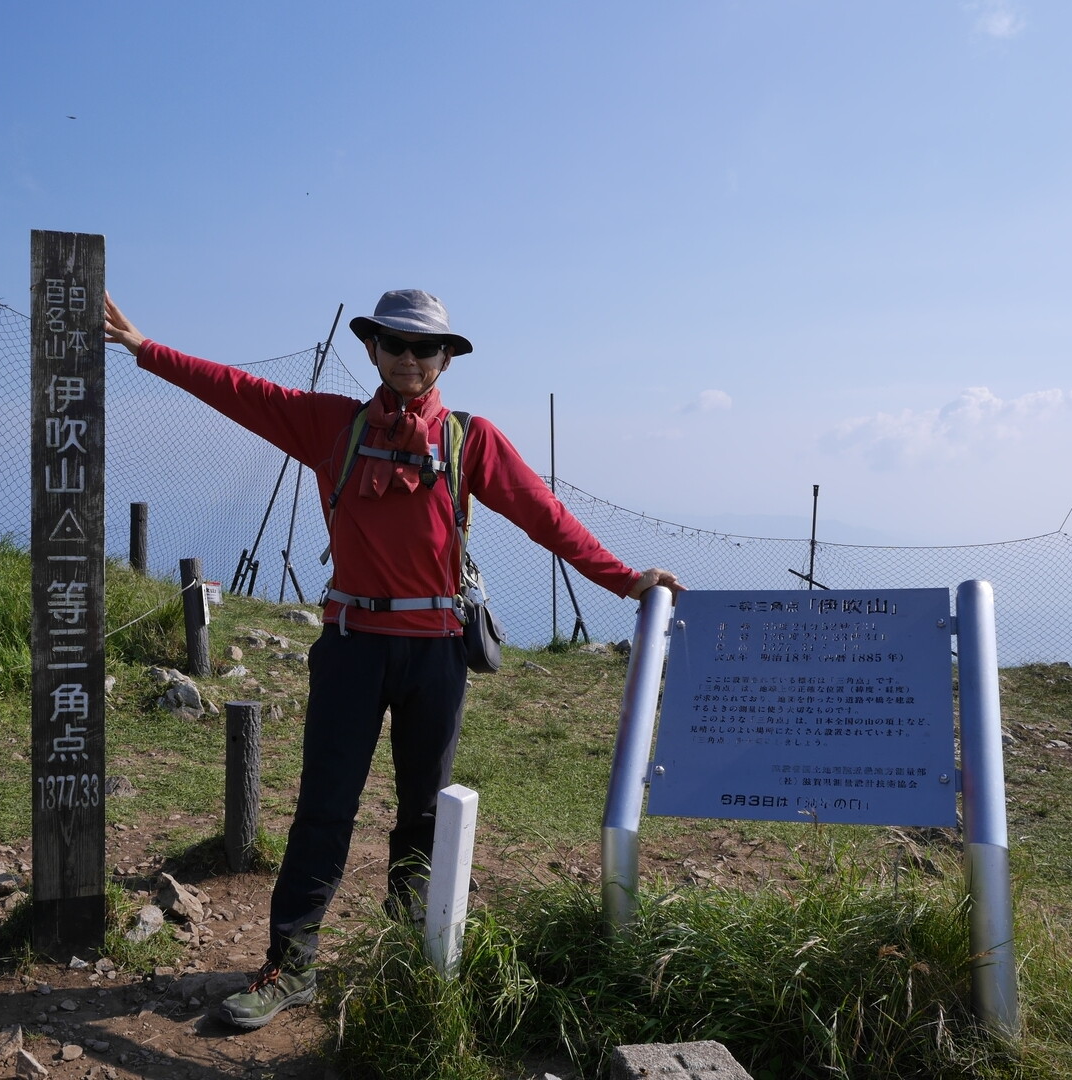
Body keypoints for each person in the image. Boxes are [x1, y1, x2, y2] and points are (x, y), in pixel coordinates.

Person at [104, 288, 683, 1029]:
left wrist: (624, 577)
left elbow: (546, 516)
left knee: (422, 814)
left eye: (425, 348)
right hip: (349, 648)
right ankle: (292, 966)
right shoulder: (332, 426)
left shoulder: (471, 440)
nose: (410, 359)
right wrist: (148, 349)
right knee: (323, 810)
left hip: (436, 654)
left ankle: (407, 953)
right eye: (395, 344)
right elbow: (238, 392)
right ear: (372, 349)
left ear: (446, 358)